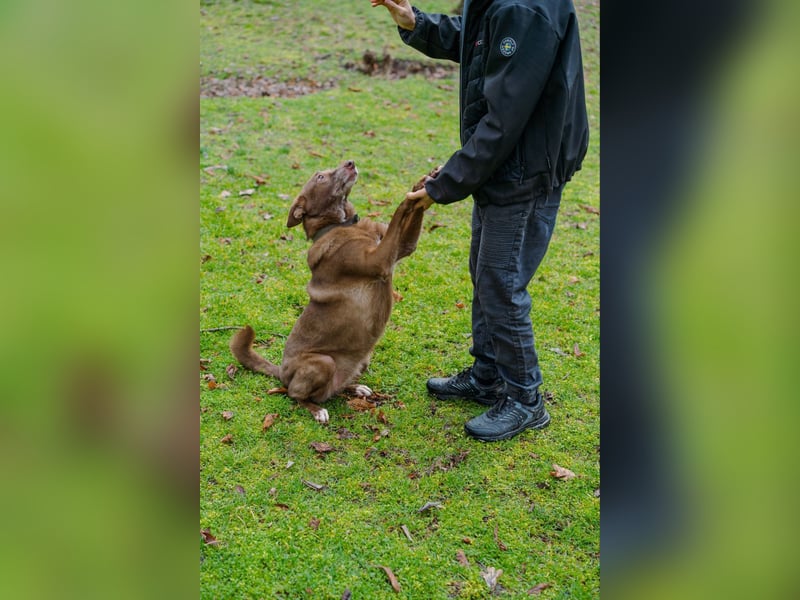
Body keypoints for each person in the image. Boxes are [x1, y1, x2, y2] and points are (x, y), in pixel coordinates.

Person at [369, 0, 589, 441]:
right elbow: (480, 40)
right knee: (484, 271)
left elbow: (504, 120)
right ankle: (488, 374)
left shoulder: (526, 9)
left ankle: (526, 399)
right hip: (503, 166)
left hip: (525, 167)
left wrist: (444, 184)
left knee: (500, 283)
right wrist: (417, 23)